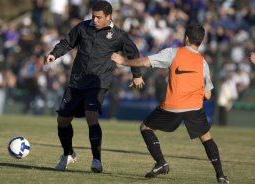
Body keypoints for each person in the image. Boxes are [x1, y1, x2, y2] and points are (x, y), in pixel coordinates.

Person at [111, 24, 229, 183]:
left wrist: (124, 61)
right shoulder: (203, 62)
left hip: (173, 105)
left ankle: (161, 162)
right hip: (194, 106)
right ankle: (220, 175)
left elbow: (146, 62)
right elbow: (207, 94)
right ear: (200, 41)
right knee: (206, 137)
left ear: (186, 38)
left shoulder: (173, 53)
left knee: (145, 127)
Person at [44, 1, 144, 173]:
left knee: (92, 116)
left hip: (98, 84)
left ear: (108, 17)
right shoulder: (83, 27)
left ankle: (96, 160)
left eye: (99, 17)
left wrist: (137, 75)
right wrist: (54, 53)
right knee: (63, 120)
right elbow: (67, 43)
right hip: (77, 82)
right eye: (93, 16)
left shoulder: (118, 35)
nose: (95, 20)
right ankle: (68, 154)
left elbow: (133, 53)